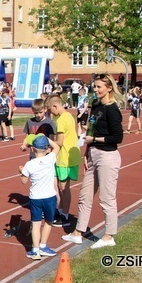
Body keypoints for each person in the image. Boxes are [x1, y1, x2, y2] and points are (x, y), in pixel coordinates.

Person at [62, 73, 124, 249]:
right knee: (84, 195)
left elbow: (117, 137)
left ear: (109, 88)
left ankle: (109, 235)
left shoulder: (113, 109)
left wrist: (95, 141)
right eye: (94, 86)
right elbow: (90, 129)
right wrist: (87, 153)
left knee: (106, 197)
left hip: (107, 156)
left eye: (99, 87)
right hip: (93, 154)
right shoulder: (95, 105)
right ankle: (78, 232)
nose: (95, 90)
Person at [19, 134, 61, 260]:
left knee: (36, 224)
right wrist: (47, 138)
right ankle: (43, 245)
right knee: (49, 221)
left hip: (36, 197)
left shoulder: (29, 164)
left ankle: (35, 249)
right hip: (50, 196)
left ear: (32, 149)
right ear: (47, 149)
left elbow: (24, 181)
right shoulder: (50, 159)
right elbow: (57, 147)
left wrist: (21, 171)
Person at [46, 94, 81, 227]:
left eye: (50, 110)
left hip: (65, 157)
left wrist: (45, 142)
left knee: (63, 188)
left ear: (55, 106)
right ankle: (61, 211)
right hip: (69, 156)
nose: (50, 113)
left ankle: (65, 215)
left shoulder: (61, 120)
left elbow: (59, 142)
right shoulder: (68, 116)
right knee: (62, 187)